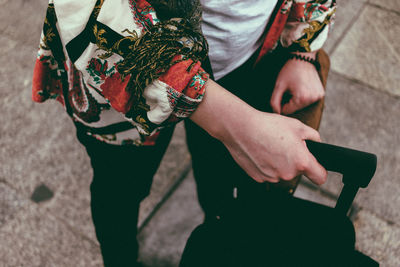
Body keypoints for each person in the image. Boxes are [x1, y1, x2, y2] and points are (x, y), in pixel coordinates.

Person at [32, 0, 336, 266]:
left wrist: (304, 48)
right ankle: (120, 260)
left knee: (219, 181)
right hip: (119, 86)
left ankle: (219, 236)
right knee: (120, 189)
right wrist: (236, 123)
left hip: (251, 56)